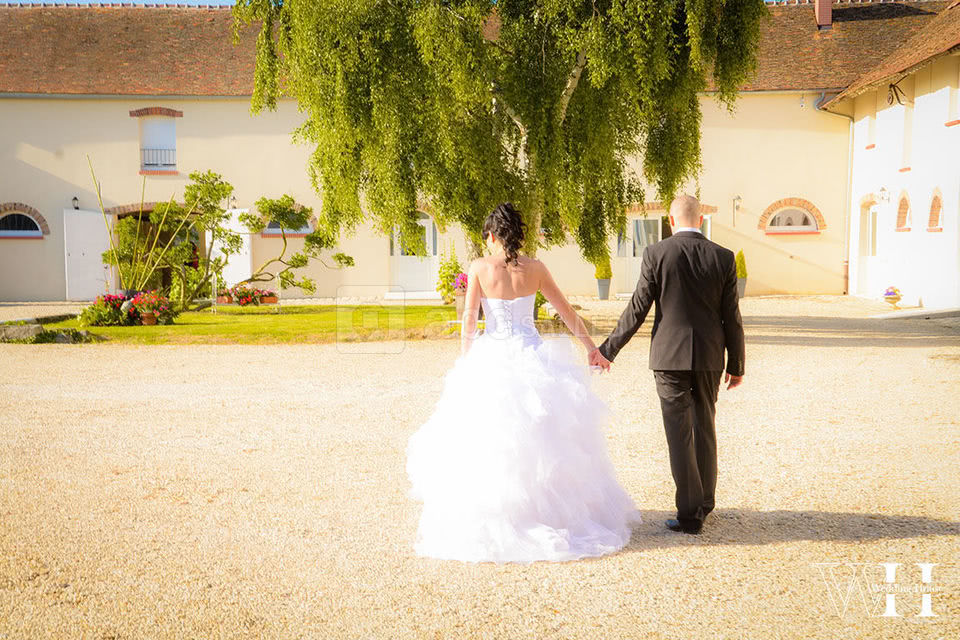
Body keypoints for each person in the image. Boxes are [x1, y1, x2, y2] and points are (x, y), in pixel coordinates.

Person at [406, 202, 641, 563]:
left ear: (492, 235)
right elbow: (566, 311)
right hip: (534, 355)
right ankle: (552, 513)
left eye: (486, 237)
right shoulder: (536, 268)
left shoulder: (481, 268)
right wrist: (591, 349)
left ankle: (507, 514)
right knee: (545, 438)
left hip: (494, 356)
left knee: (495, 443)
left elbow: (470, 321)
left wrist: (467, 361)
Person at [589, 194, 745, 535]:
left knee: (679, 433)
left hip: (669, 357)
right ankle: (704, 502)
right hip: (709, 356)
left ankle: (690, 515)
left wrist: (608, 350)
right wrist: (737, 364)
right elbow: (731, 316)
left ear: (671, 222)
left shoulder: (657, 253)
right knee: (705, 425)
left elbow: (638, 307)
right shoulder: (723, 257)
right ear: (701, 219)